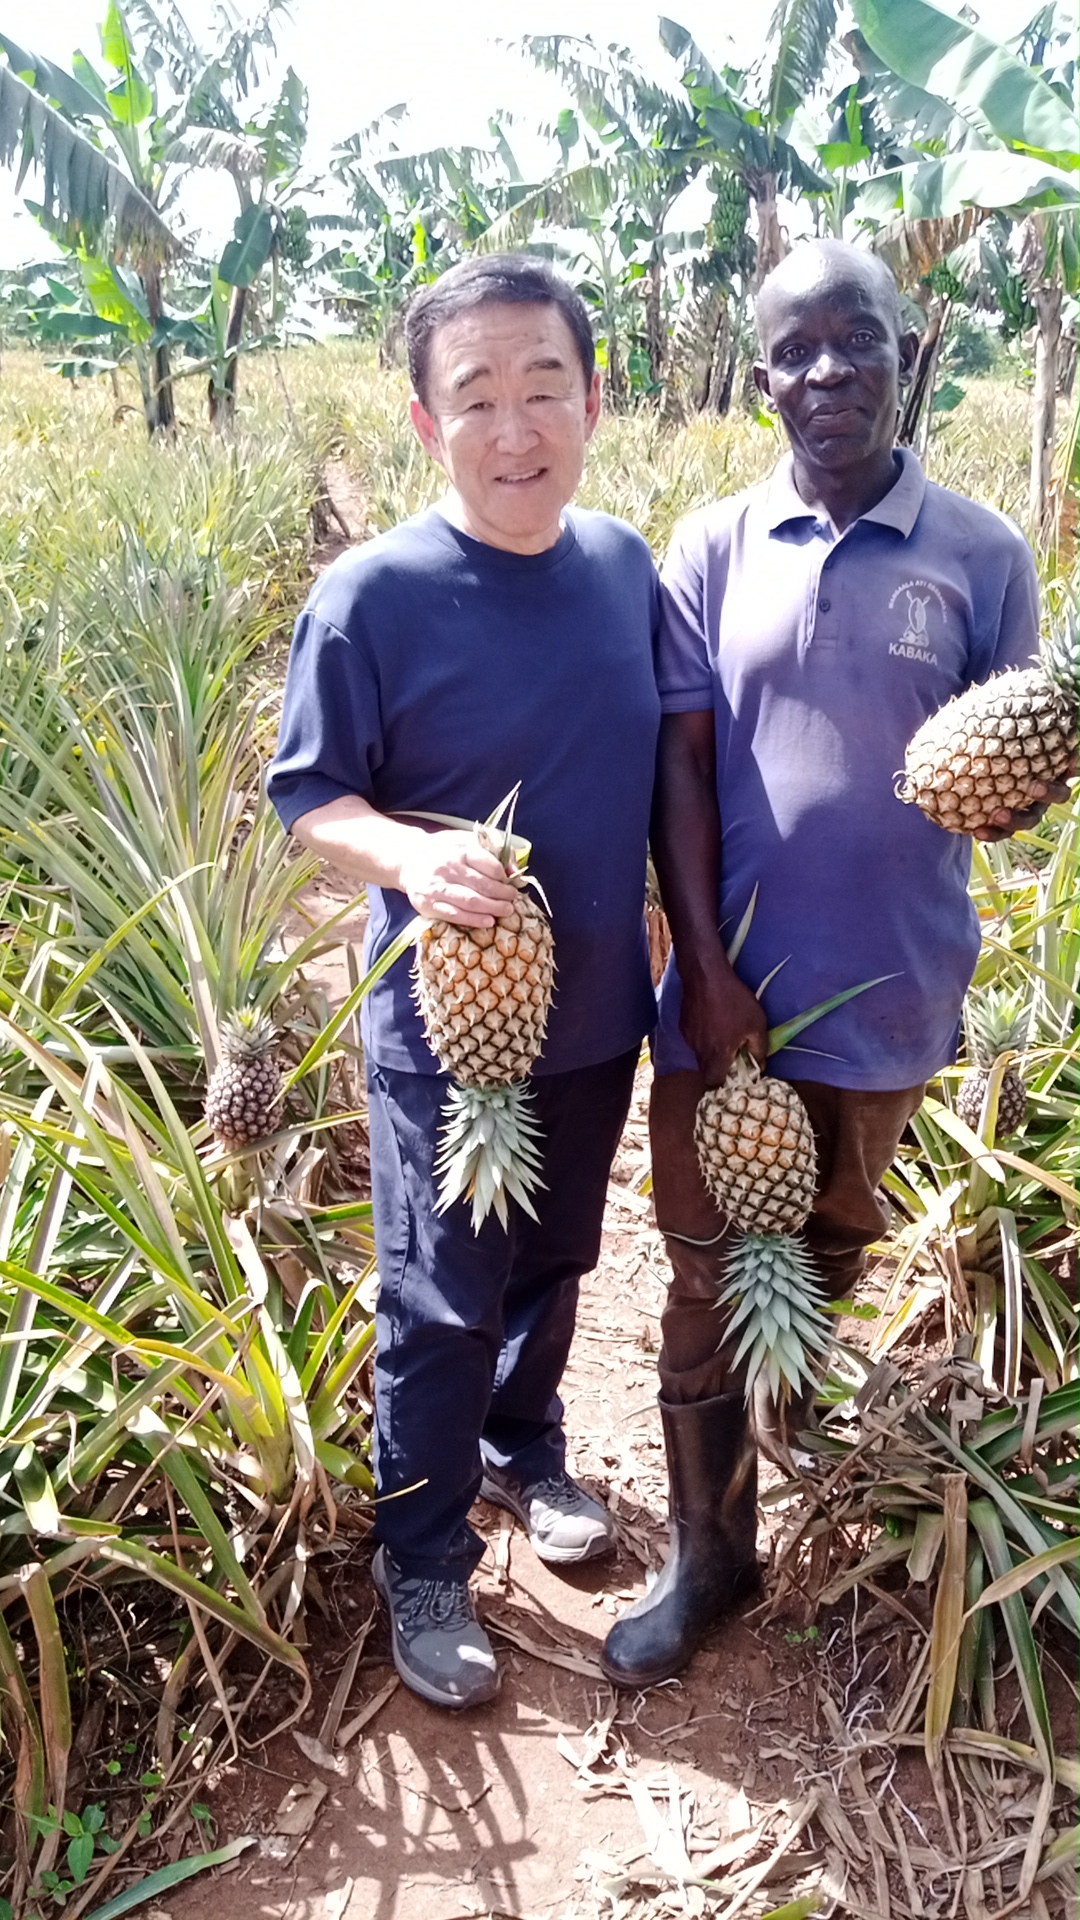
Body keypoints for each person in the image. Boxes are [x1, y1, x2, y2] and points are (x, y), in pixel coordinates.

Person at [601, 238, 1068, 1692]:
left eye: (854, 339)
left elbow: (1023, 764)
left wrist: (1033, 770)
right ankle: (710, 1553)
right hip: (731, 999)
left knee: (829, 1241)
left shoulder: (983, 554)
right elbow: (681, 763)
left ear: (907, 350)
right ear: (760, 380)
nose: (828, 373)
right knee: (698, 1266)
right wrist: (703, 965)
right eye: (795, 350)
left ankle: (785, 1429)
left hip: (900, 981)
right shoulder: (713, 542)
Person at [268, 254, 661, 1711]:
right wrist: (410, 863)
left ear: (593, 396)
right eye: (477, 396)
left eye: (542, 386)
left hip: (597, 1008)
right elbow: (312, 800)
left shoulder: (626, 566)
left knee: (556, 1257)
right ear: (429, 423)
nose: (516, 427)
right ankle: (422, 1551)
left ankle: (523, 1444)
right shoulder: (368, 597)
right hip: (447, 1028)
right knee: (438, 1295)